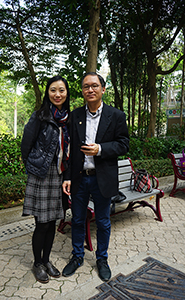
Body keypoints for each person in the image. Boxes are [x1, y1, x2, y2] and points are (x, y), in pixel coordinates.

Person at [62, 72, 129, 282]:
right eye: (85, 87)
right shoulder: (75, 116)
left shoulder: (115, 115)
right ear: (82, 91)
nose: (90, 90)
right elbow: (68, 150)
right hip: (80, 178)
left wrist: (100, 149)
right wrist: (67, 177)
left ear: (103, 89)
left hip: (103, 178)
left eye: (94, 86)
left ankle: (102, 259)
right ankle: (77, 256)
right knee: (78, 220)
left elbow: (123, 144)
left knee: (103, 222)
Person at [21, 75, 70, 284]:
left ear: (67, 93)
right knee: (41, 223)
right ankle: (37, 263)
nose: (57, 94)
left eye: (61, 90)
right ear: (47, 93)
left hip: (58, 175)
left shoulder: (69, 119)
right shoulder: (39, 116)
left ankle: (47, 260)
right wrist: (33, 167)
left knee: (52, 223)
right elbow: (26, 145)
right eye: (53, 90)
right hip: (41, 175)